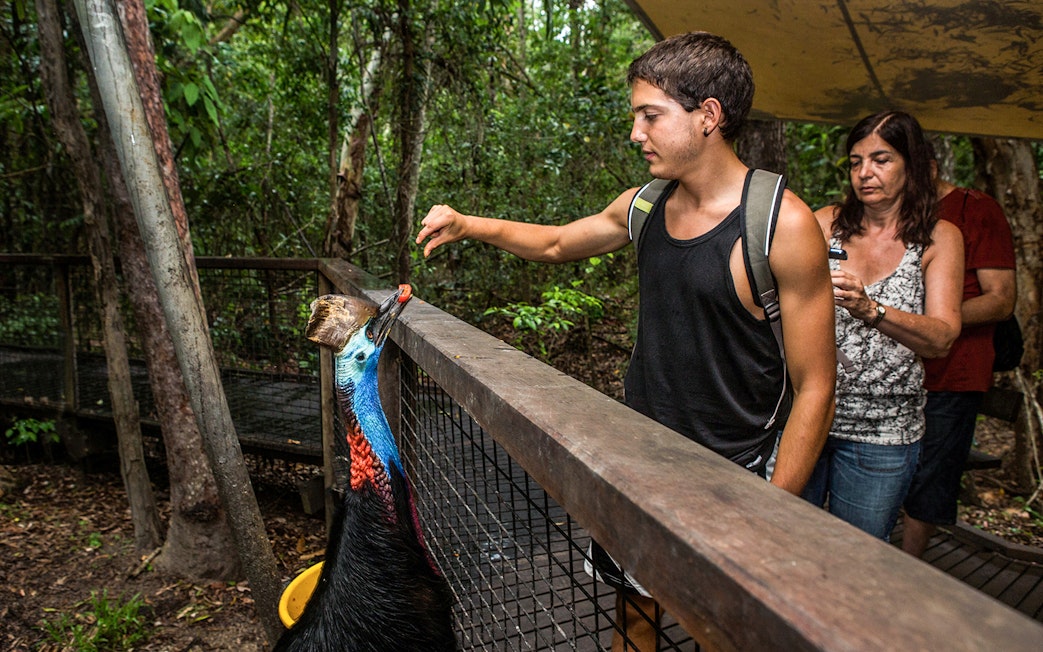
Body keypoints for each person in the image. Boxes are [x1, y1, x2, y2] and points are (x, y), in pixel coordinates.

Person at [416, 32, 837, 652]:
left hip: (736, 472)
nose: (636, 133)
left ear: (708, 117)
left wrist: (772, 514)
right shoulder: (645, 203)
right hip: (643, 461)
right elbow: (558, 243)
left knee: (720, 630)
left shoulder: (782, 225)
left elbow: (817, 386)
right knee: (634, 616)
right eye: (636, 116)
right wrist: (467, 222)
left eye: (651, 116)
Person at [801, 111, 964, 541]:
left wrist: (871, 310)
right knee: (789, 544)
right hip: (808, 415)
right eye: (855, 162)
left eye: (881, 159)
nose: (864, 173)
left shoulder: (939, 237)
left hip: (883, 434)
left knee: (858, 560)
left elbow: (943, 337)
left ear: (911, 165)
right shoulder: (824, 224)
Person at [899, 163, 1017, 557]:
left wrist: (932, 318)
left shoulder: (975, 210)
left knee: (930, 477)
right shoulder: (892, 208)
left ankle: (907, 570)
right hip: (895, 371)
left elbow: (1001, 298)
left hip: (953, 372)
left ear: (927, 166)